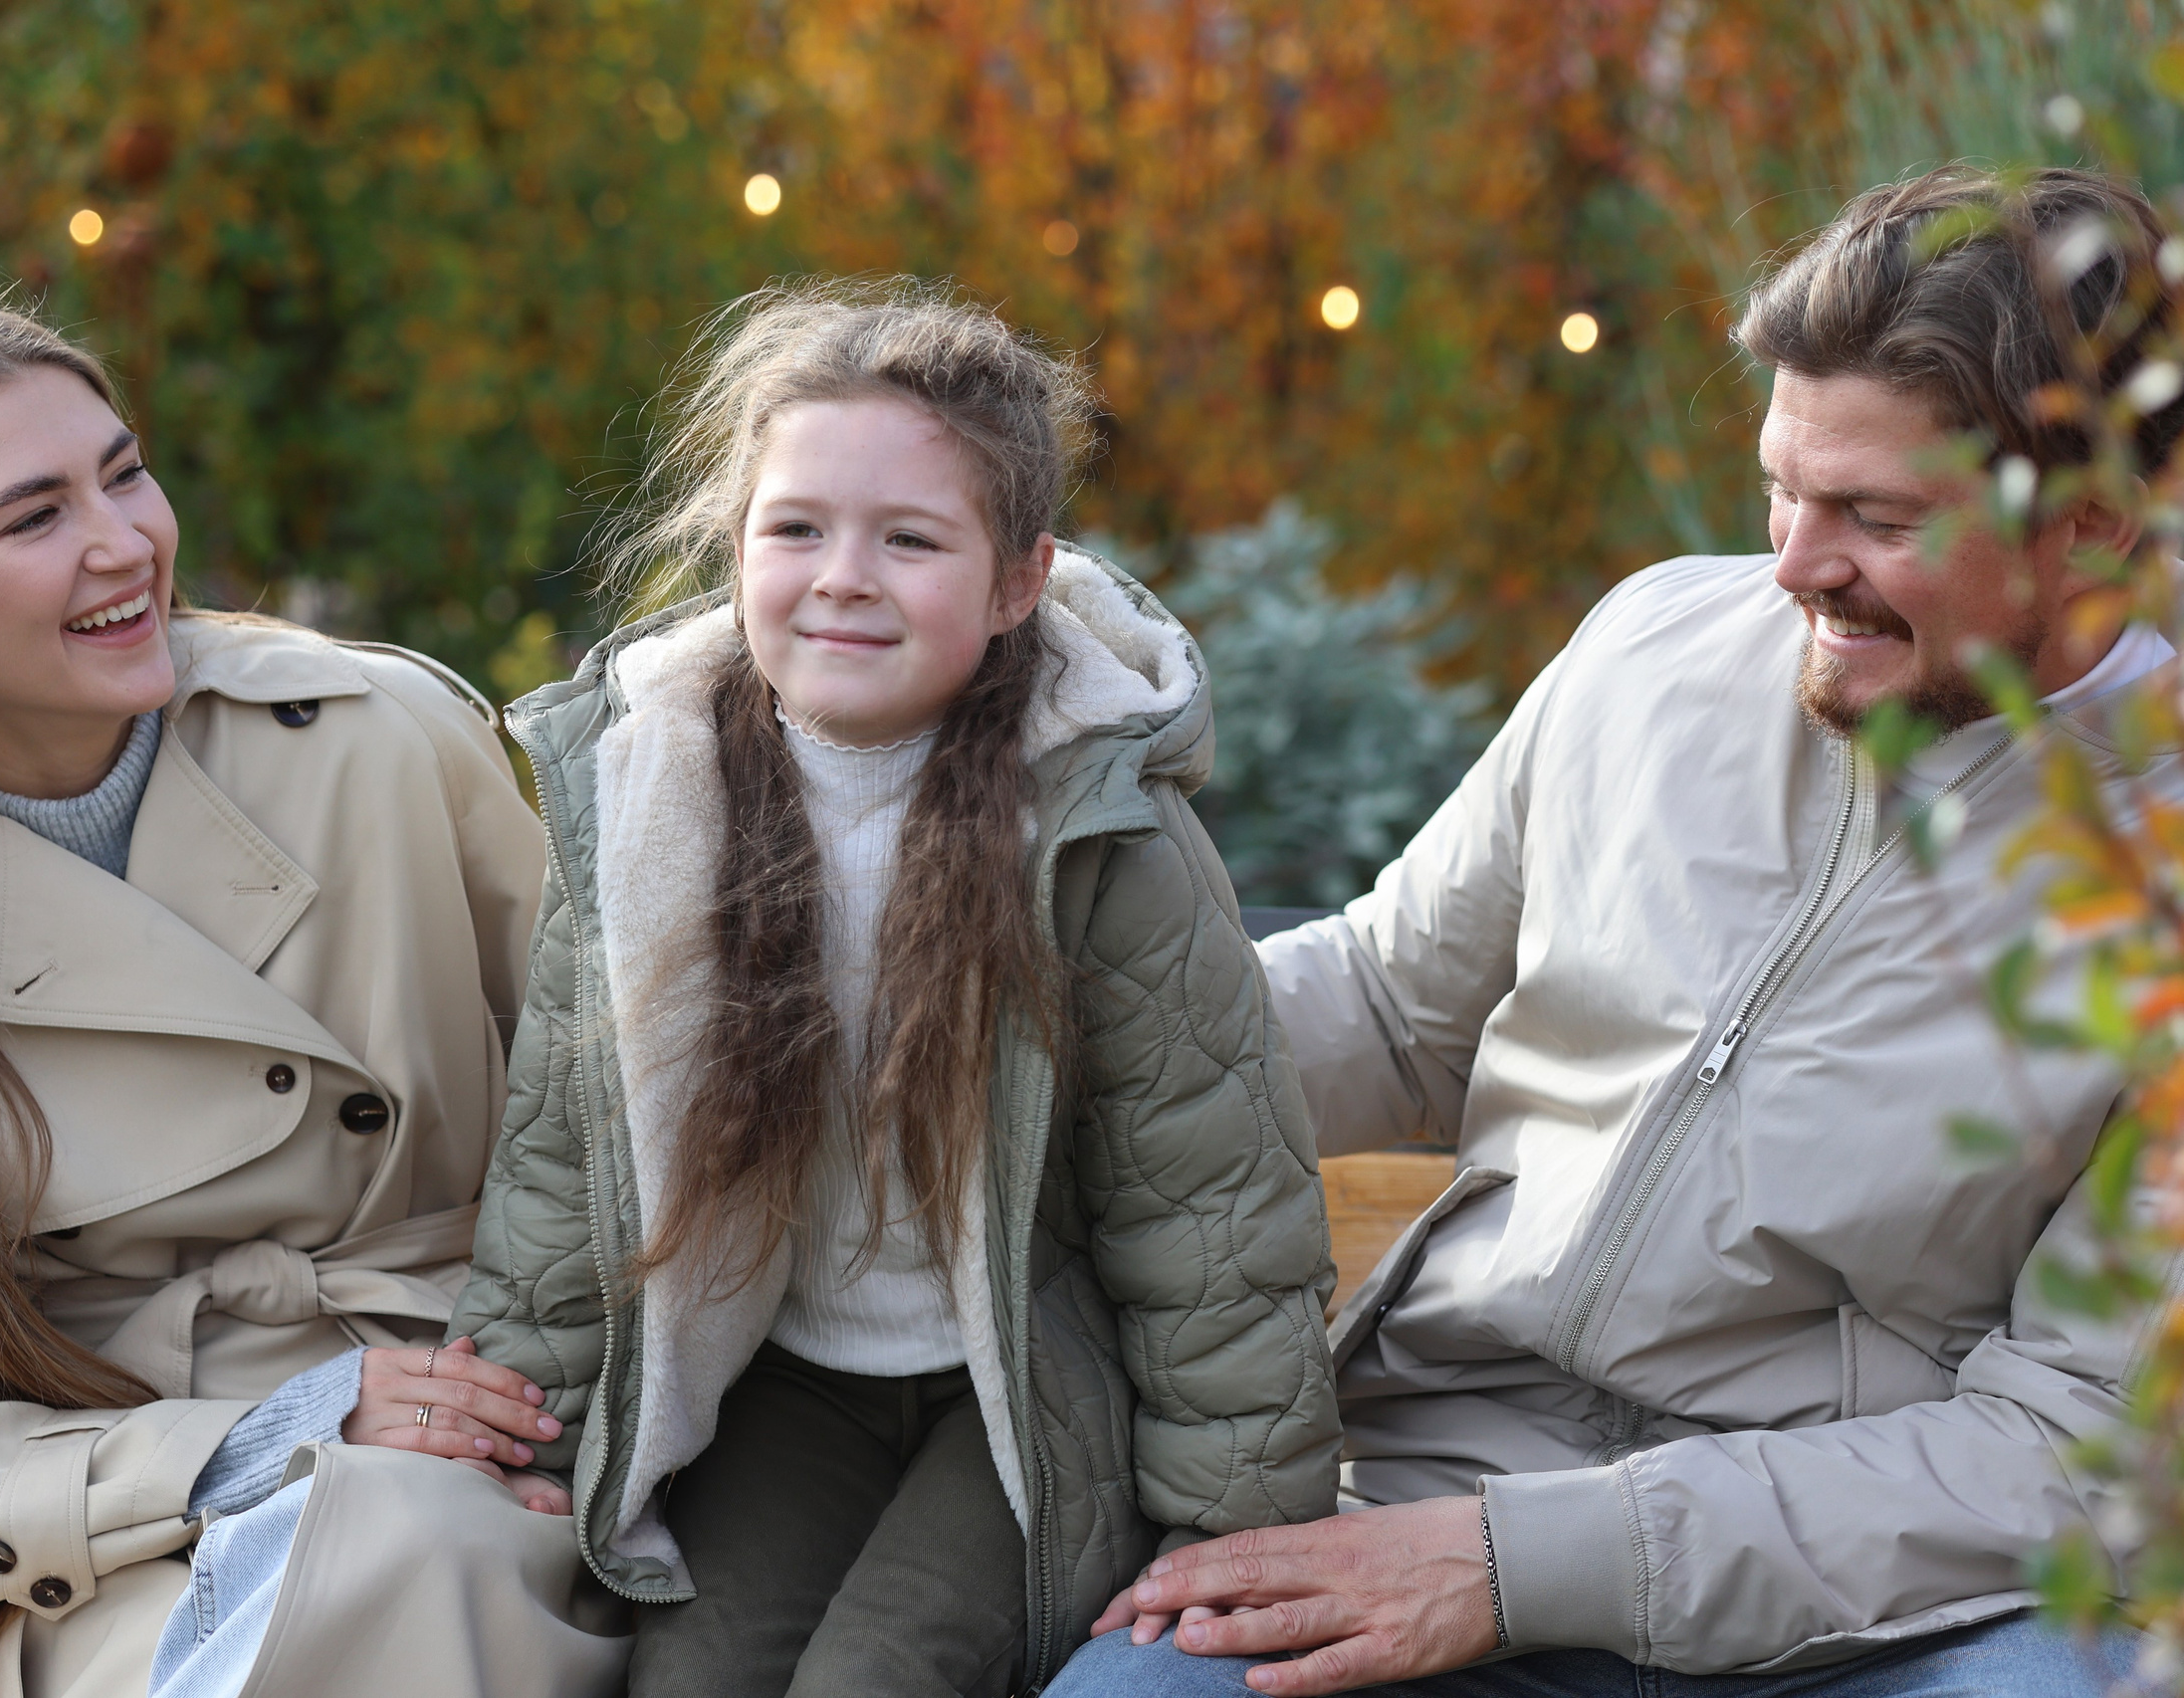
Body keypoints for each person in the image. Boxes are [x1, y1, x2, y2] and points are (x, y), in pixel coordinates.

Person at [1048, 166, 2182, 1696]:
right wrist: (1010, 1063)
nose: (1789, 564)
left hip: (1876, 1598)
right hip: (1427, 1477)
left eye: (1876, 514)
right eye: (1782, 485)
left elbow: (2064, 1448)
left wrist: (1531, 1568)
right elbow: (1390, 1010)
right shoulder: (1652, 647)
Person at [0, 293, 629, 1698]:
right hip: (69, 1555)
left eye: (123, 472)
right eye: (32, 516)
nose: (124, 542)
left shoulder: (386, 744)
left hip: (473, 1421)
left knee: (419, 1549)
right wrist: (252, 1436)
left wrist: (572, 1411)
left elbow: (628, 1117)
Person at [447, 280, 1346, 1698]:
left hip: (1029, 1395)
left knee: (876, 1679)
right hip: (793, 1380)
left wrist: (1239, 1526)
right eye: (795, 527)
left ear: (1015, 582)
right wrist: (525, 1436)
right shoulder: (649, 802)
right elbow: (568, 1154)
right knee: (689, 1678)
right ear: (736, 545)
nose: (842, 574)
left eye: (909, 539)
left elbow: (1209, 1212)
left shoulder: (1098, 834)